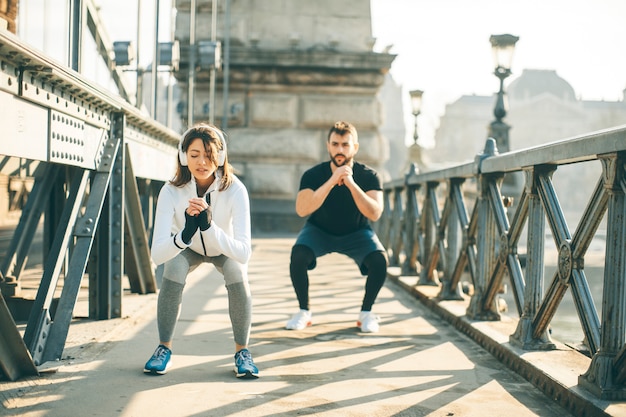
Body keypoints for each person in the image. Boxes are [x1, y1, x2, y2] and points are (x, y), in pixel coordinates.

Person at [143, 123, 259, 379]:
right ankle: (164, 348)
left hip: (222, 247)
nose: (202, 162)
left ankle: (242, 351)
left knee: (237, 272)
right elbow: (158, 255)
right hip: (188, 247)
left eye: (209, 155)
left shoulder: (236, 190)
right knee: (172, 267)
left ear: (220, 156)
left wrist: (210, 227)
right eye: (194, 155)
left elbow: (244, 253)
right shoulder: (170, 191)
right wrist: (184, 236)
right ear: (184, 156)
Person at [286, 121, 388, 333]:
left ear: (355, 147)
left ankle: (366, 313)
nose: (340, 149)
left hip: (357, 232)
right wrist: (332, 181)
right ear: (328, 146)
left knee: (380, 260)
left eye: (345, 144)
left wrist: (351, 184)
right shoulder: (313, 175)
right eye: (335, 144)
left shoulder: (369, 176)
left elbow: (375, 213)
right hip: (319, 230)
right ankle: (304, 311)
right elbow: (302, 210)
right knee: (298, 255)